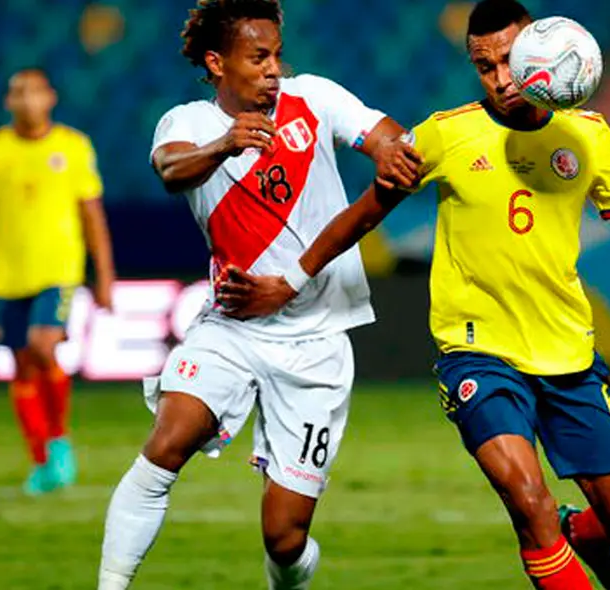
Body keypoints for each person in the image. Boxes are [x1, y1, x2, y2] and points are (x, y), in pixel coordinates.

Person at [213, 2, 610, 587]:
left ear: (539, 49)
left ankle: (574, 533)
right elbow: (363, 214)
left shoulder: (588, 136)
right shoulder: (445, 135)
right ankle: (549, 533)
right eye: (485, 66)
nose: (501, 78)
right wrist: (289, 281)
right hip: (477, 354)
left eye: (509, 60)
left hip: (567, 355)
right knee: (529, 502)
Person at [96, 1, 419, 588]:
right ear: (217, 63)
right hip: (233, 327)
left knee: (284, 539)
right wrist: (223, 145)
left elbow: (392, 144)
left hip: (317, 341)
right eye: (257, 57)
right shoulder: (188, 122)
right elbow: (170, 170)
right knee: (166, 444)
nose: (273, 69)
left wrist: (392, 151)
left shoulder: (314, 98)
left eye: (276, 55)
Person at [0, 67, 115, 496]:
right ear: (8, 102)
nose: (26, 99)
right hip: (9, 276)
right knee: (22, 366)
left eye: (34, 91)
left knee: (42, 346)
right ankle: (41, 459)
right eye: (18, 92)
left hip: (59, 272)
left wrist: (104, 274)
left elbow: (91, 215)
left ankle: (59, 440)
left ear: (50, 98)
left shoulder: (72, 146)